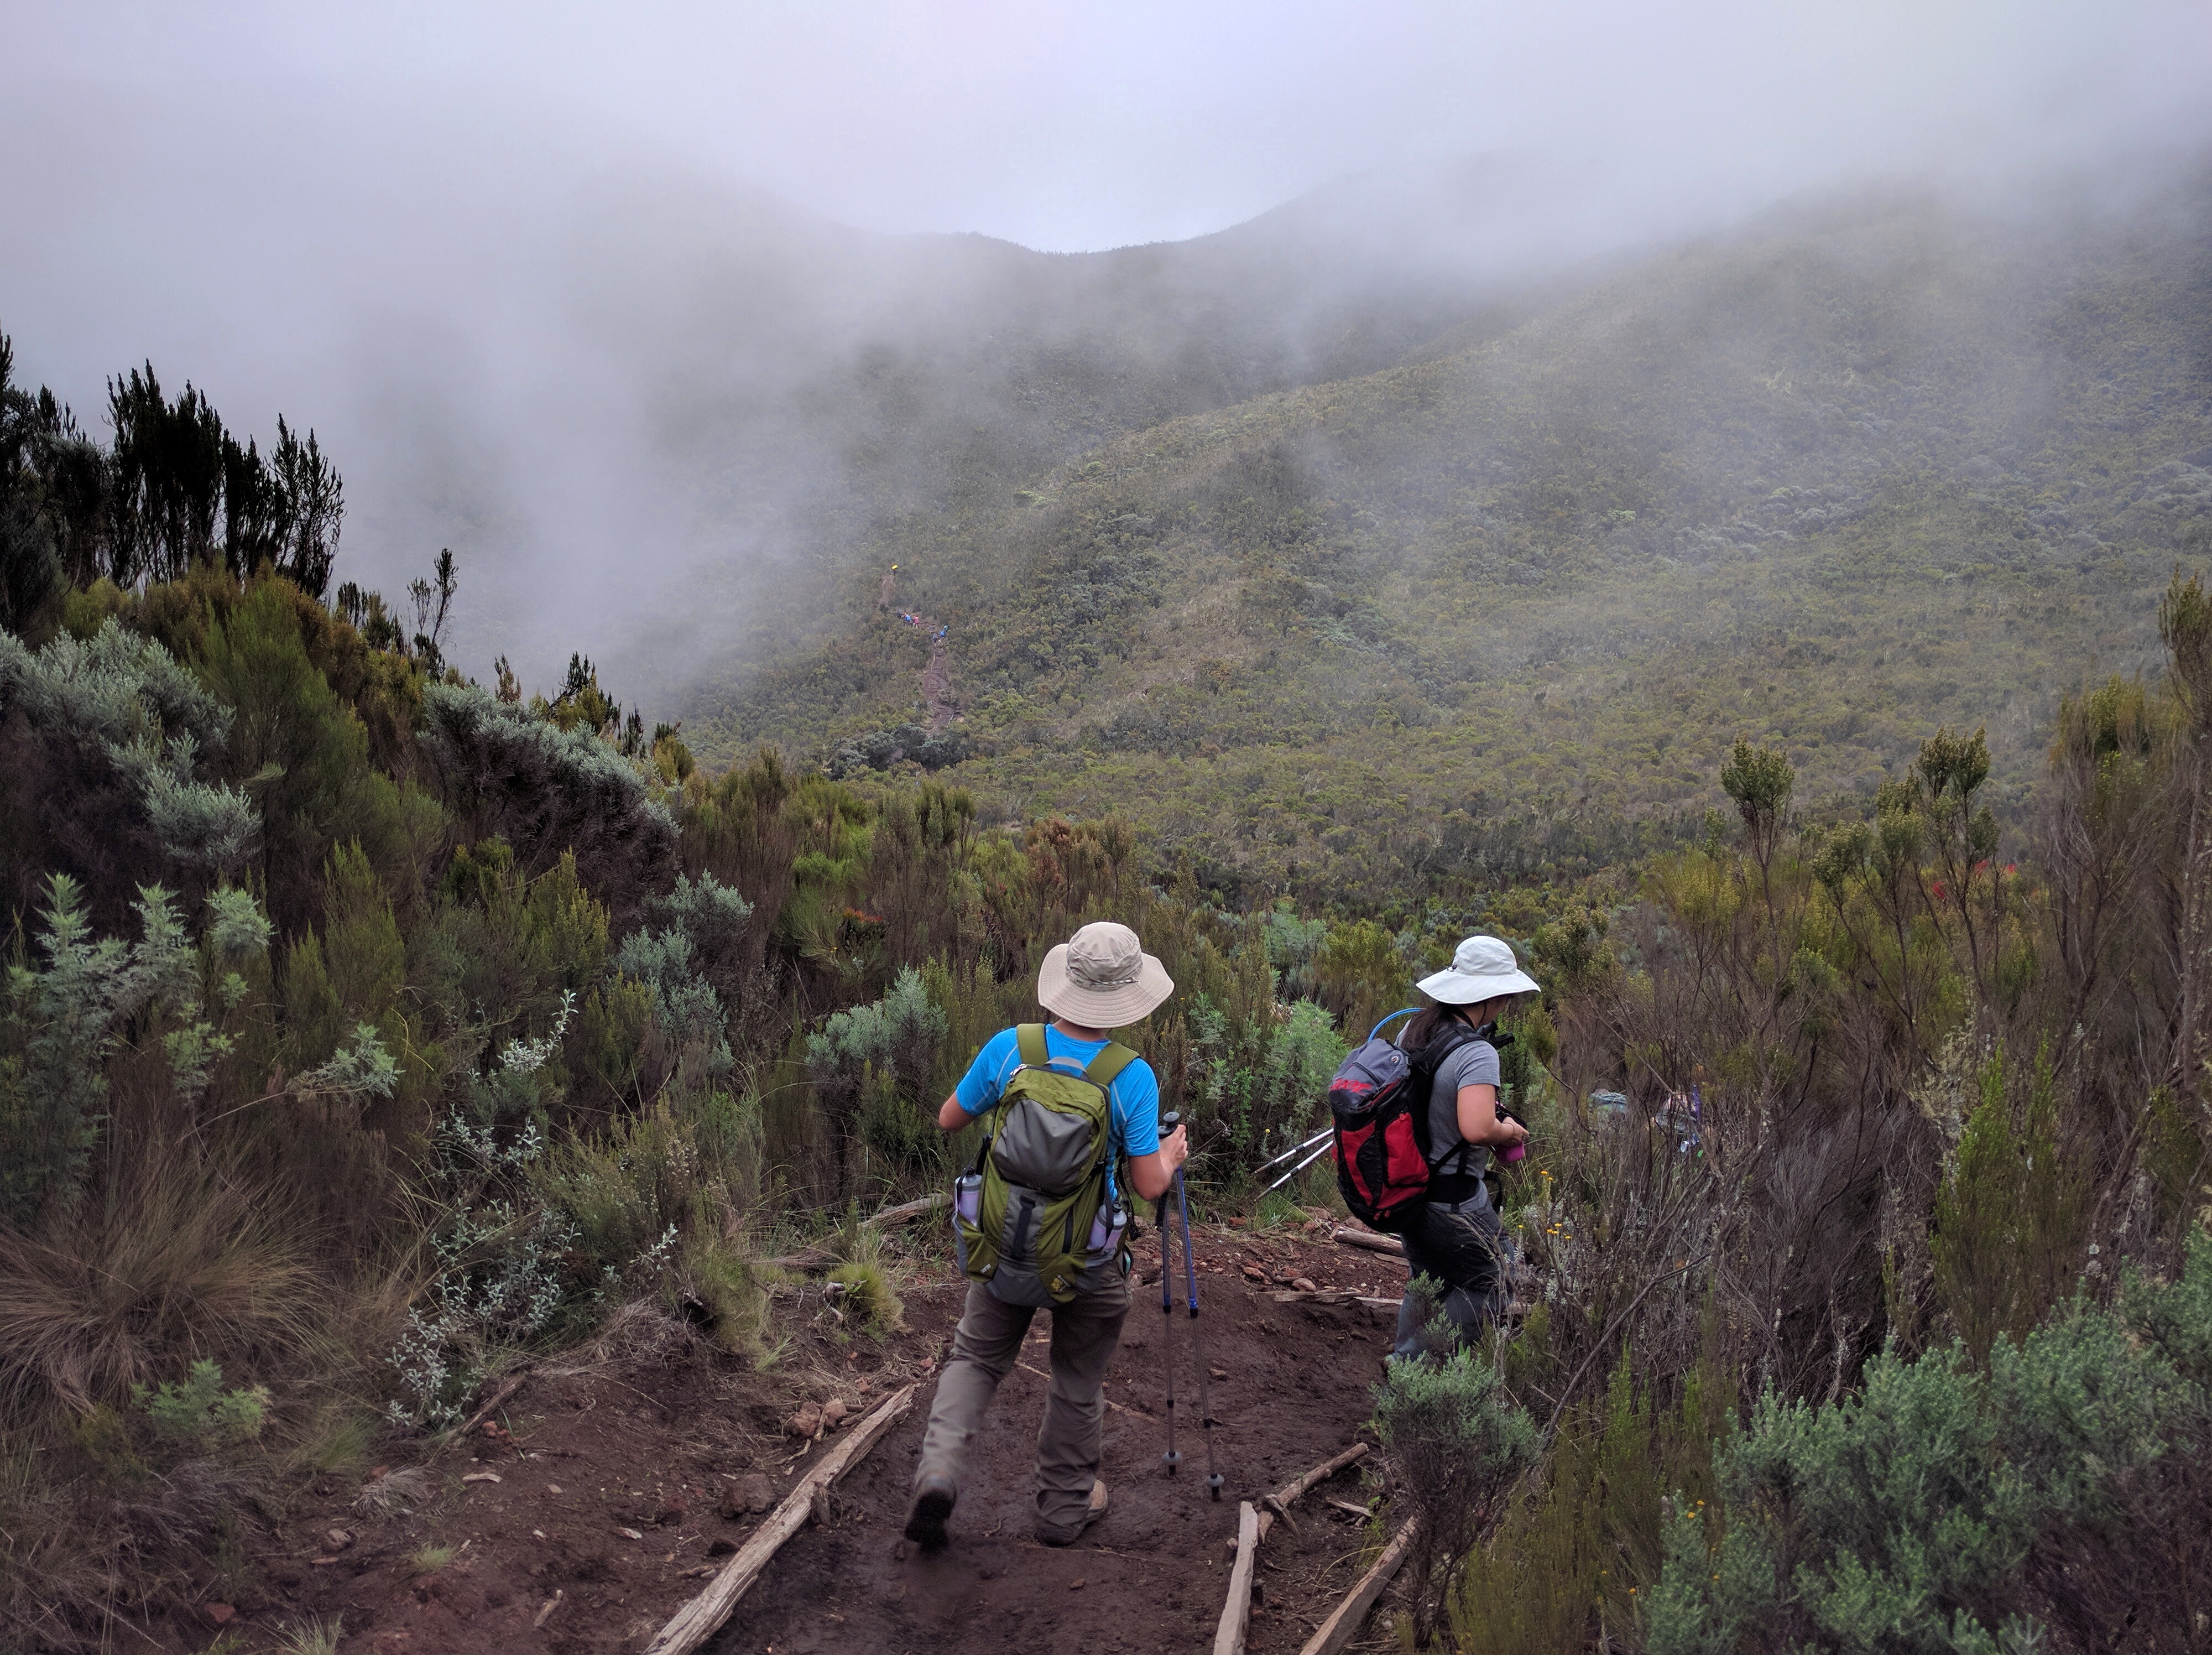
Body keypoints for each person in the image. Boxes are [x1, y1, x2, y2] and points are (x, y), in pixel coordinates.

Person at [905, 920, 1188, 1550]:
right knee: (1076, 1378)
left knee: (975, 1358)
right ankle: (1062, 1513)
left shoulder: (1010, 1047)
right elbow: (1146, 1186)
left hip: (1002, 1244)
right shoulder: (1131, 1077)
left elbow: (949, 1117)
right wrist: (1170, 1155)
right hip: (1086, 1259)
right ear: (1127, 995)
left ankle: (939, 1473)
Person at [1391, 934, 1537, 1361]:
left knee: (1427, 1280)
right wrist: (1508, 1133)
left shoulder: (1415, 1028)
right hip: (1453, 1199)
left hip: (1408, 1187)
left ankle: (1405, 1376)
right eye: (1505, 995)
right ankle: (1410, 1365)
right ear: (1490, 996)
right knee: (1494, 1282)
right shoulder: (1477, 1052)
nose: (1507, 1003)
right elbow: (1476, 1129)